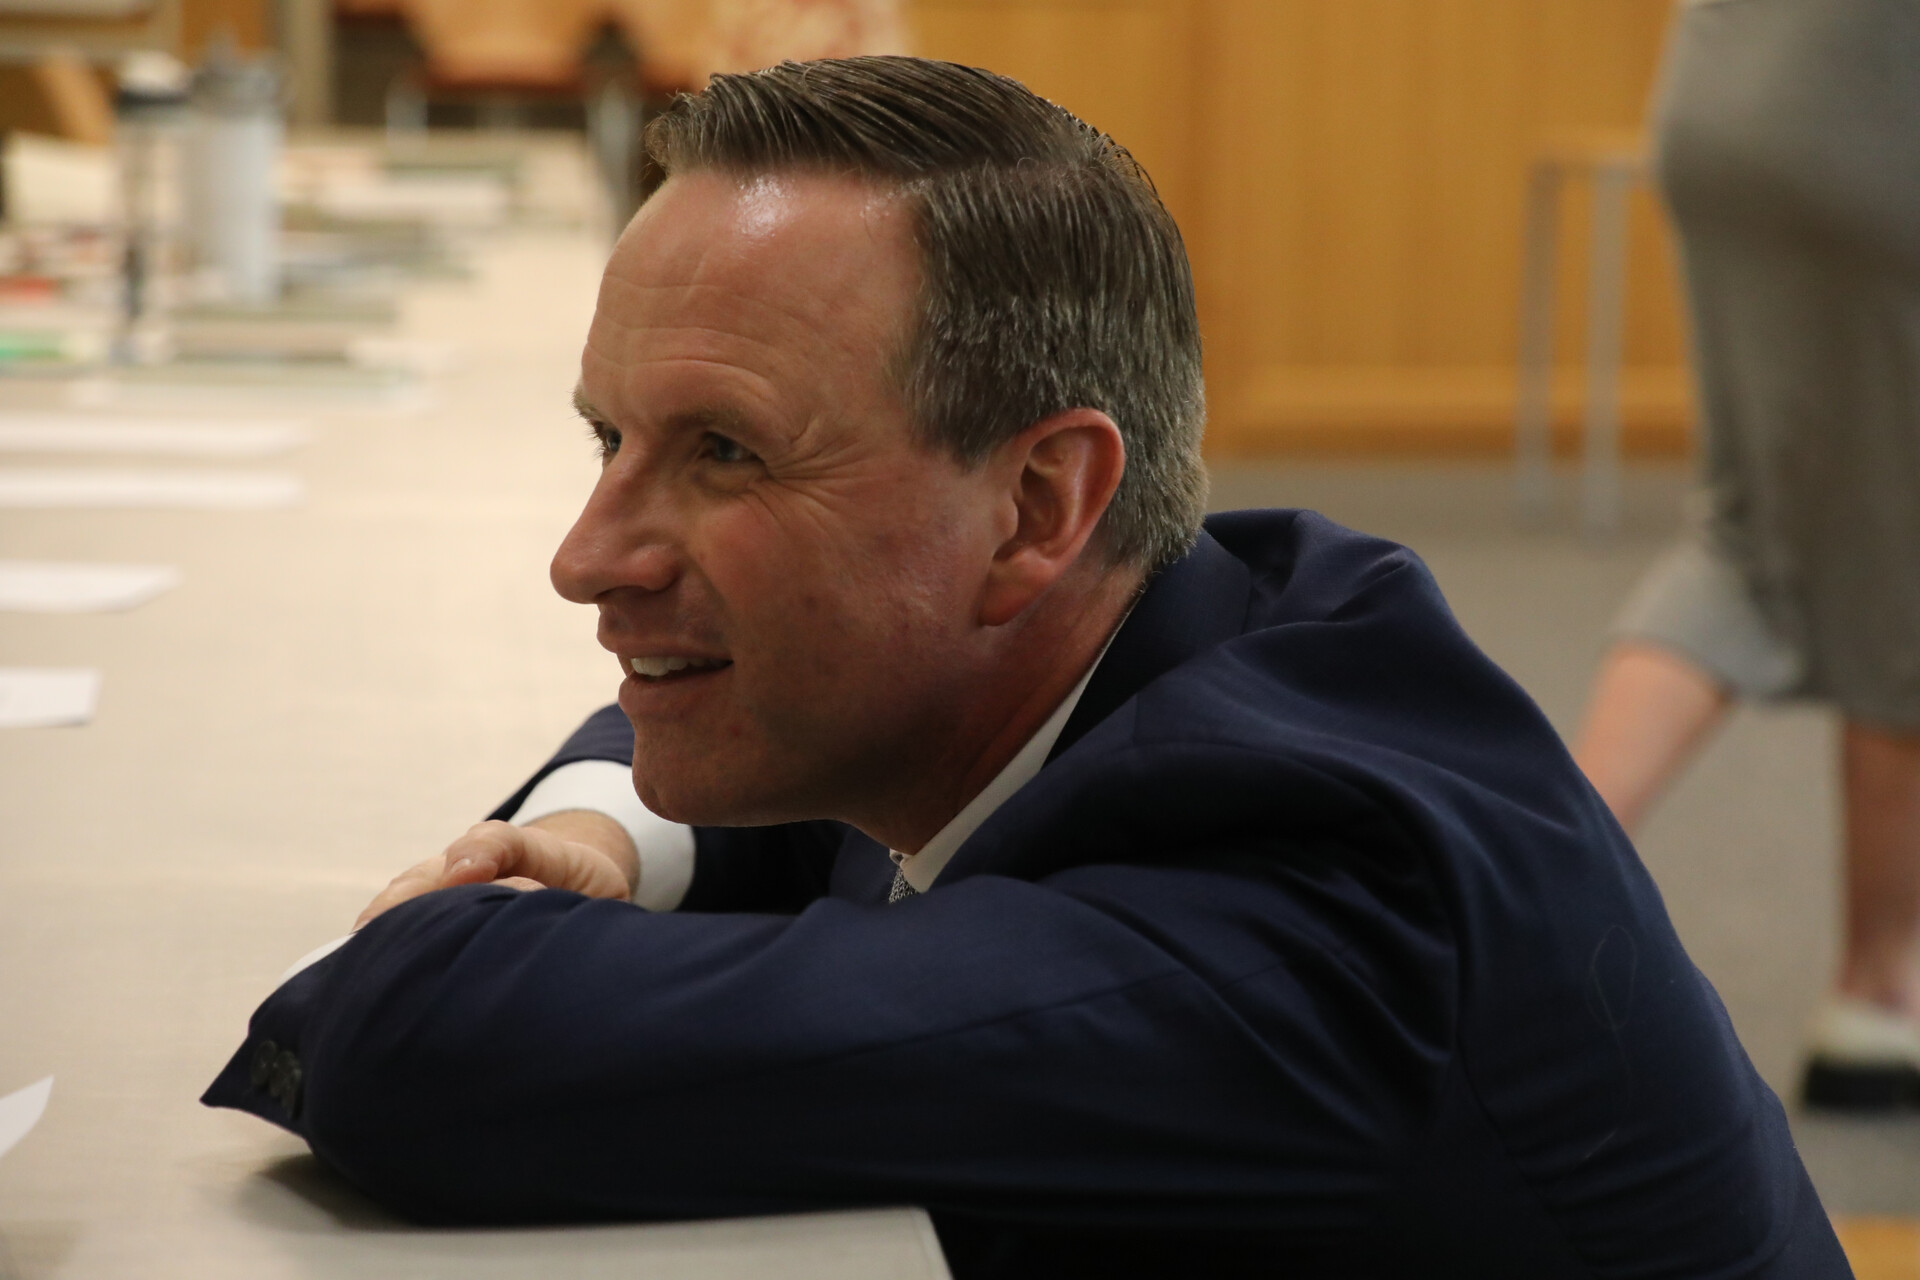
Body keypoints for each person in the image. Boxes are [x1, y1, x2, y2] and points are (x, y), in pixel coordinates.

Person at [205, 58, 1847, 1278]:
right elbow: (784, 744)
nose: (587, 557)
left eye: (723, 454)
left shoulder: (1293, 912)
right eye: (608, 441)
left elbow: (422, 1039)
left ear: (1039, 504)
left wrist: (478, 929)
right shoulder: (1194, 601)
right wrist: (606, 832)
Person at [1571, 0, 1920, 1111]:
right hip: (1877, 121)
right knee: (1902, 565)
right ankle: (1881, 986)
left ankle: (1523, 872)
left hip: (1727, 101)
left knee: (1744, 541)